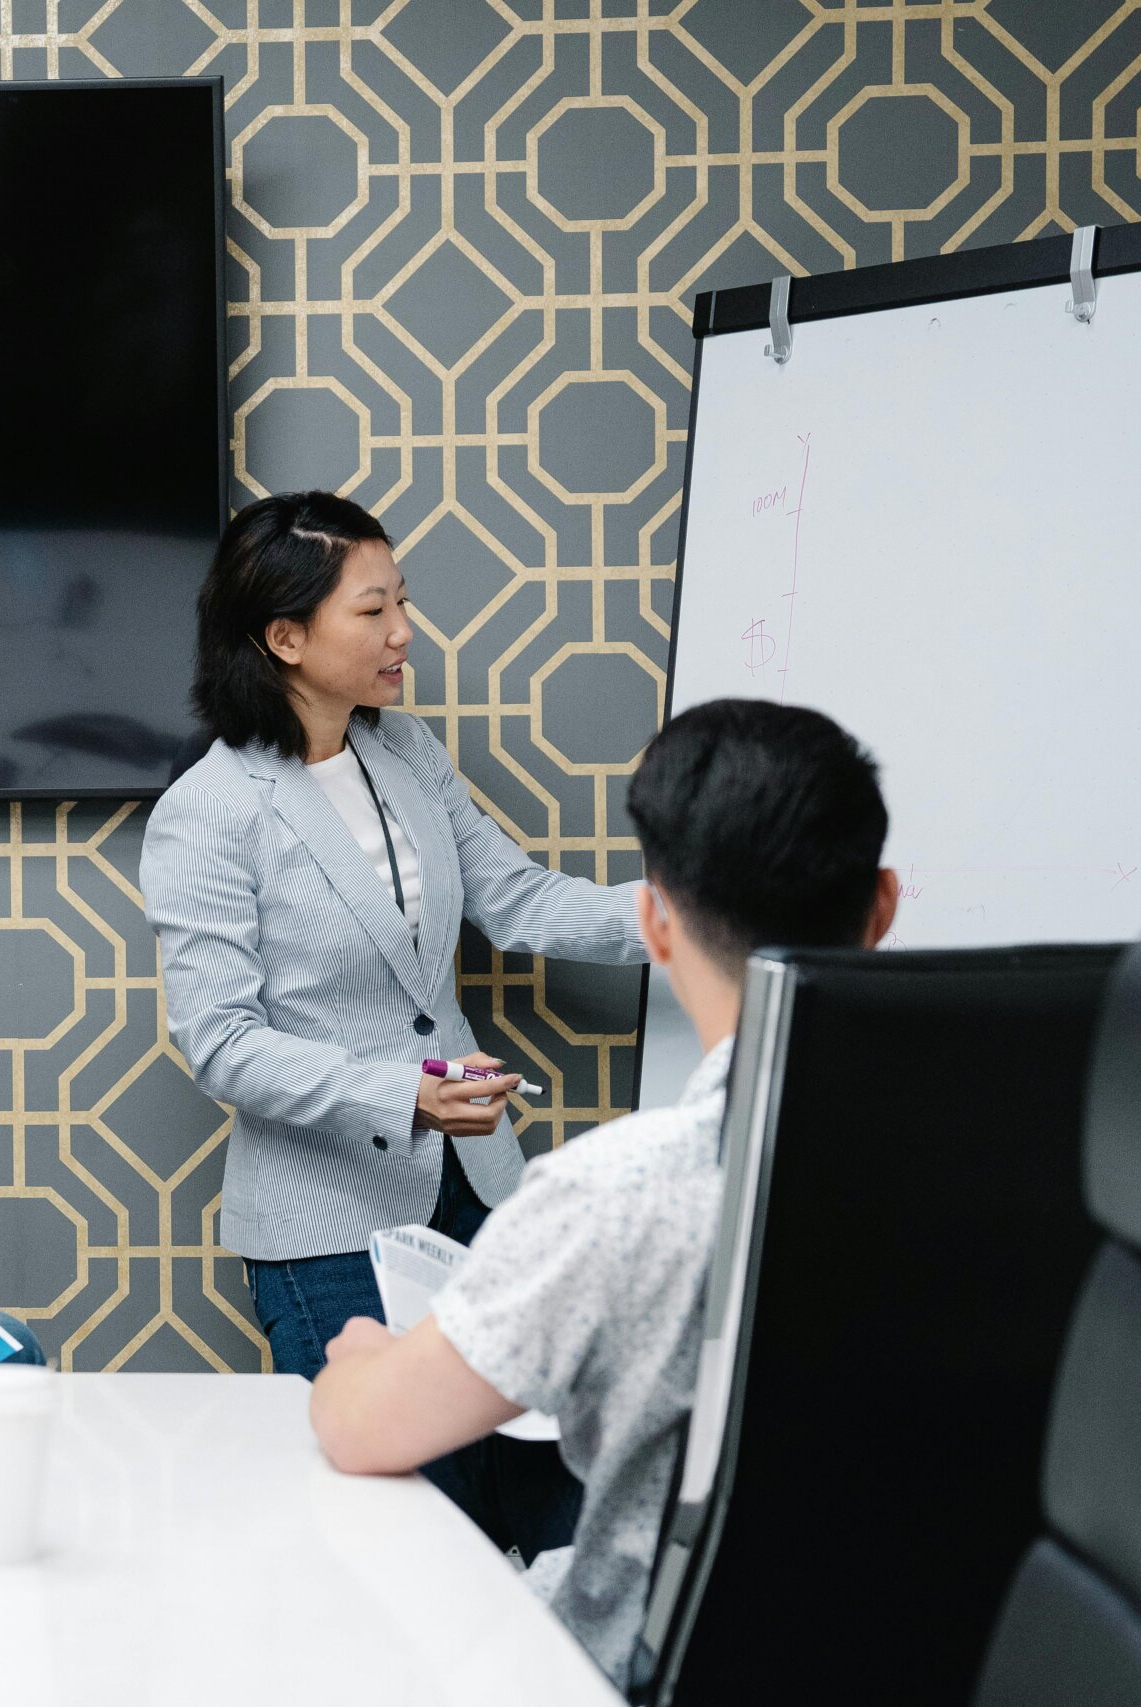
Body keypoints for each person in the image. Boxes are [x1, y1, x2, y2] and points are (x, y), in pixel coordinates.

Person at [305, 698, 899, 1684]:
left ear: (655, 923)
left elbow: (361, 1428)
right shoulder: (1055, 1173)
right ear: (881, 905)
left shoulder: (612, 1193)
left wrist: (373, 1355)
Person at [139, 490, 648, 1558]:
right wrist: (403, 1094)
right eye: (373, 612)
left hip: (484, 1197)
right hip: (328, 1238)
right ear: (284, 637)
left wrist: (676, 913)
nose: (404, 634)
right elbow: (218, 1040)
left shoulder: (405, 750)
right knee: (405, 1546)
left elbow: (516, 898)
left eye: (401, 602)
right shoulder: (209, 811)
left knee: (551, 1515)